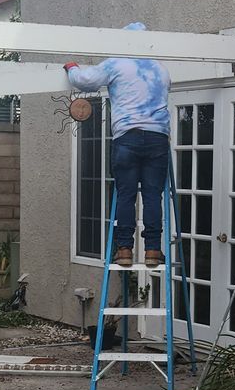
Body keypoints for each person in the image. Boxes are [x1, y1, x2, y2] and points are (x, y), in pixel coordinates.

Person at [63, 23, 172, 267]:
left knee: (126, 194)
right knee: (153, 195)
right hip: (157, 137)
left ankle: (124, 249)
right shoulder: (160, 69)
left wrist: (71, 67)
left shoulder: (117, 63)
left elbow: (85, 80)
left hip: (128, 136)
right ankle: (153, 250)